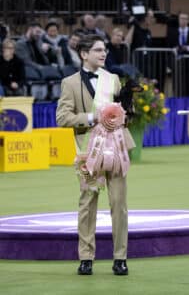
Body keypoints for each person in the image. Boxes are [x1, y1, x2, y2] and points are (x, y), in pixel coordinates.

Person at [56, 34, 135, 275]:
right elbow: (62, 117)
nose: (104, 54)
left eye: (105, 50)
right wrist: (92, 117)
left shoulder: (113, 79)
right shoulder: (69, 83)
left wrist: (127, 108)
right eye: (99, 50)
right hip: (88, 150)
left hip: (116, 150)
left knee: (119, 205)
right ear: (84, 54)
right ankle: (86, 257)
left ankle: (120, 258)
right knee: (87, 204)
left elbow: (123, 115)